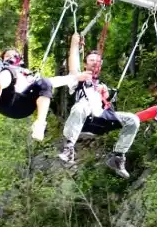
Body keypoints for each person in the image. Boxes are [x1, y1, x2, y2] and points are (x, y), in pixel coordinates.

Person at [57, 33, 140, 178]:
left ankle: (118, 157)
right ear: (85, 64)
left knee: (133, 119)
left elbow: (107, 101)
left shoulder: (101, 85)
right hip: (84, 119)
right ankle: (69, 147)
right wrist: (74, 44)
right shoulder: (78, 79)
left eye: (98, 60)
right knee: (80, 106)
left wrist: (106, 94)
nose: (95, 62)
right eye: (91, 60)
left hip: (101, 117)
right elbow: (73, 66)